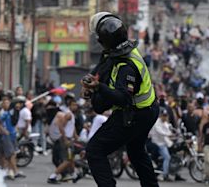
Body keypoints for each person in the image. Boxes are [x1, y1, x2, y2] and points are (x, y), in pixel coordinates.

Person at [82, 12, 159, 187]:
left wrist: (98, 87)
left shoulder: (126, 66)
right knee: (136, 151)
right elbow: (102, 66)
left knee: (95, 150)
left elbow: (123, 98)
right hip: (148, 110)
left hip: (136, 114)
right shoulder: (120, 50)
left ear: (103, 40)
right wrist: (90, 81)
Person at [47, 99, 78, 183]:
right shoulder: (68, 114)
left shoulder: (71, 114)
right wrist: (65, 139)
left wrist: (75, 136)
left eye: (76, 105)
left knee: (71, 158)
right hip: (66, 139)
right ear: (69, 105)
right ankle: (52, 176)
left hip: (69, 139)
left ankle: (74, 174)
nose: (75, 107)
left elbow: (72, 126)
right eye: (73, 105)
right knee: (68, 160)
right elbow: (61, 126)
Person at [0, 97, 25, 180]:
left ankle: (10, 171)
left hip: (13, 135)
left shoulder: (15, 112)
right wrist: (3, 130)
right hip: (7, 136)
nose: (19, 105)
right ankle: (15, 171)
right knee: (11, 154)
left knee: (12, 154)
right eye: (18, 104)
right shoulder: (6, 113)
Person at [149, 110, 174, 181]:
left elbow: (169, 130)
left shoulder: (166, 123)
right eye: (164, 115)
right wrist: (169, 134)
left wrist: (175, 134)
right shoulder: (157, 123)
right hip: (158, 143)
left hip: (165, 143)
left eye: (166, 116)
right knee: (167, 157)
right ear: (161, 115)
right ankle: (165, 175)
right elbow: (161, 132)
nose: (165, 117)